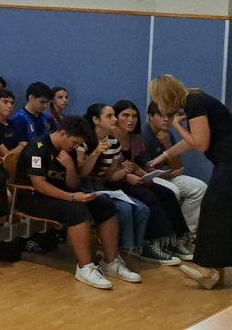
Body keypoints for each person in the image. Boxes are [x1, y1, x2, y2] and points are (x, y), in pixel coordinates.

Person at [14, 115, 140, 289]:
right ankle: (85, 267)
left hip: (59, 195)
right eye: (74, 142)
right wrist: (72, 197)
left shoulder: (69, 151)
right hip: (32, 197)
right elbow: (39, 184)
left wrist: (70, 167)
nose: (75, 146)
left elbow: (73, 184)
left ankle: (110, 261)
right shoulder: (37, 147)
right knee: (77, 211)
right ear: (63, 133)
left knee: (105, 205)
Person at [146, 75, 232, 289]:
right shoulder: (196, 100)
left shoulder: (195, 103)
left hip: (230, 163)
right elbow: (192, 141)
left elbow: (200, 144)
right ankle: (214, 270)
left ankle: (208, 270)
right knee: (220, 213)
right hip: (227, 162)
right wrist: (162, 156)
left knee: (213, 211)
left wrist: (177, 126)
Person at [81, 102, 185, 264]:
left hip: (111, 182)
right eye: (112, 116)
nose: (116, 119)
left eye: (134, 116)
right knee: (141, 201)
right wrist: (98, 155)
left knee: (161, 195)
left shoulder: (119, 141)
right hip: (92, 185)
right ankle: (138, 247)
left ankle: (172, 240)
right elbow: (83, 173)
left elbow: (115, 172)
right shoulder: (86, 140)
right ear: (96, 120)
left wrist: (130, 172)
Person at [141, 99, 208, 240]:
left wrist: (167, 143)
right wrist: (170, 174)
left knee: (200, 187)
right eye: (161, 115)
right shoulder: (143, 135)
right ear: (150, 116)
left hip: (165, 175)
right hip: (149, 179)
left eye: (170, 116)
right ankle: (170, 235)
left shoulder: (167, 134)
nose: (166, 119)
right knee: (172, 190)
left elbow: (177, 165)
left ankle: (186, 233)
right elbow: (147, 171)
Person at [0, 89, 24, 156]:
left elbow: (25, 143)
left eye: (12, 103)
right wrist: (21, 147)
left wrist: (22, 146)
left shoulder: (13, 124)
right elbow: (6, 155)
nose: (10, 106)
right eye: (5, 102)